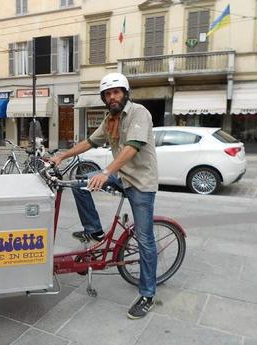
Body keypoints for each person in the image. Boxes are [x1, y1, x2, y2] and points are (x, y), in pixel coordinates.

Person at [50, 72, 158, 319]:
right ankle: (95, 230)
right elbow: (90, 142)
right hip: (121, 176)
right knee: (80, 184)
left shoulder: (139, 112)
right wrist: (61, 156)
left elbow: (133, 147)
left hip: (141, 182)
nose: (112, 97)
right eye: (108, 94)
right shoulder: (110, 119)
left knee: (144, 239)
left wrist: (107, 171)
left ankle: (148, 295)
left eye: (116, 92)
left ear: (125, 93)